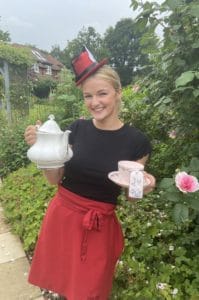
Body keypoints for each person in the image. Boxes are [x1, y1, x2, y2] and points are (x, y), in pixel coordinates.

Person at [24, 46, 156, 300]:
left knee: (90, 291)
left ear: (118, 93)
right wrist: (43, 148)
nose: (94, 102)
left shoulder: (137, 141)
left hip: (98, 227)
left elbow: (132, 196)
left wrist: (144, 185)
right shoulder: (77, 130)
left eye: (102, 93)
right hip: (63, 217)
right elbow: (54, 180)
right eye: (88, 96)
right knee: (64, 287)